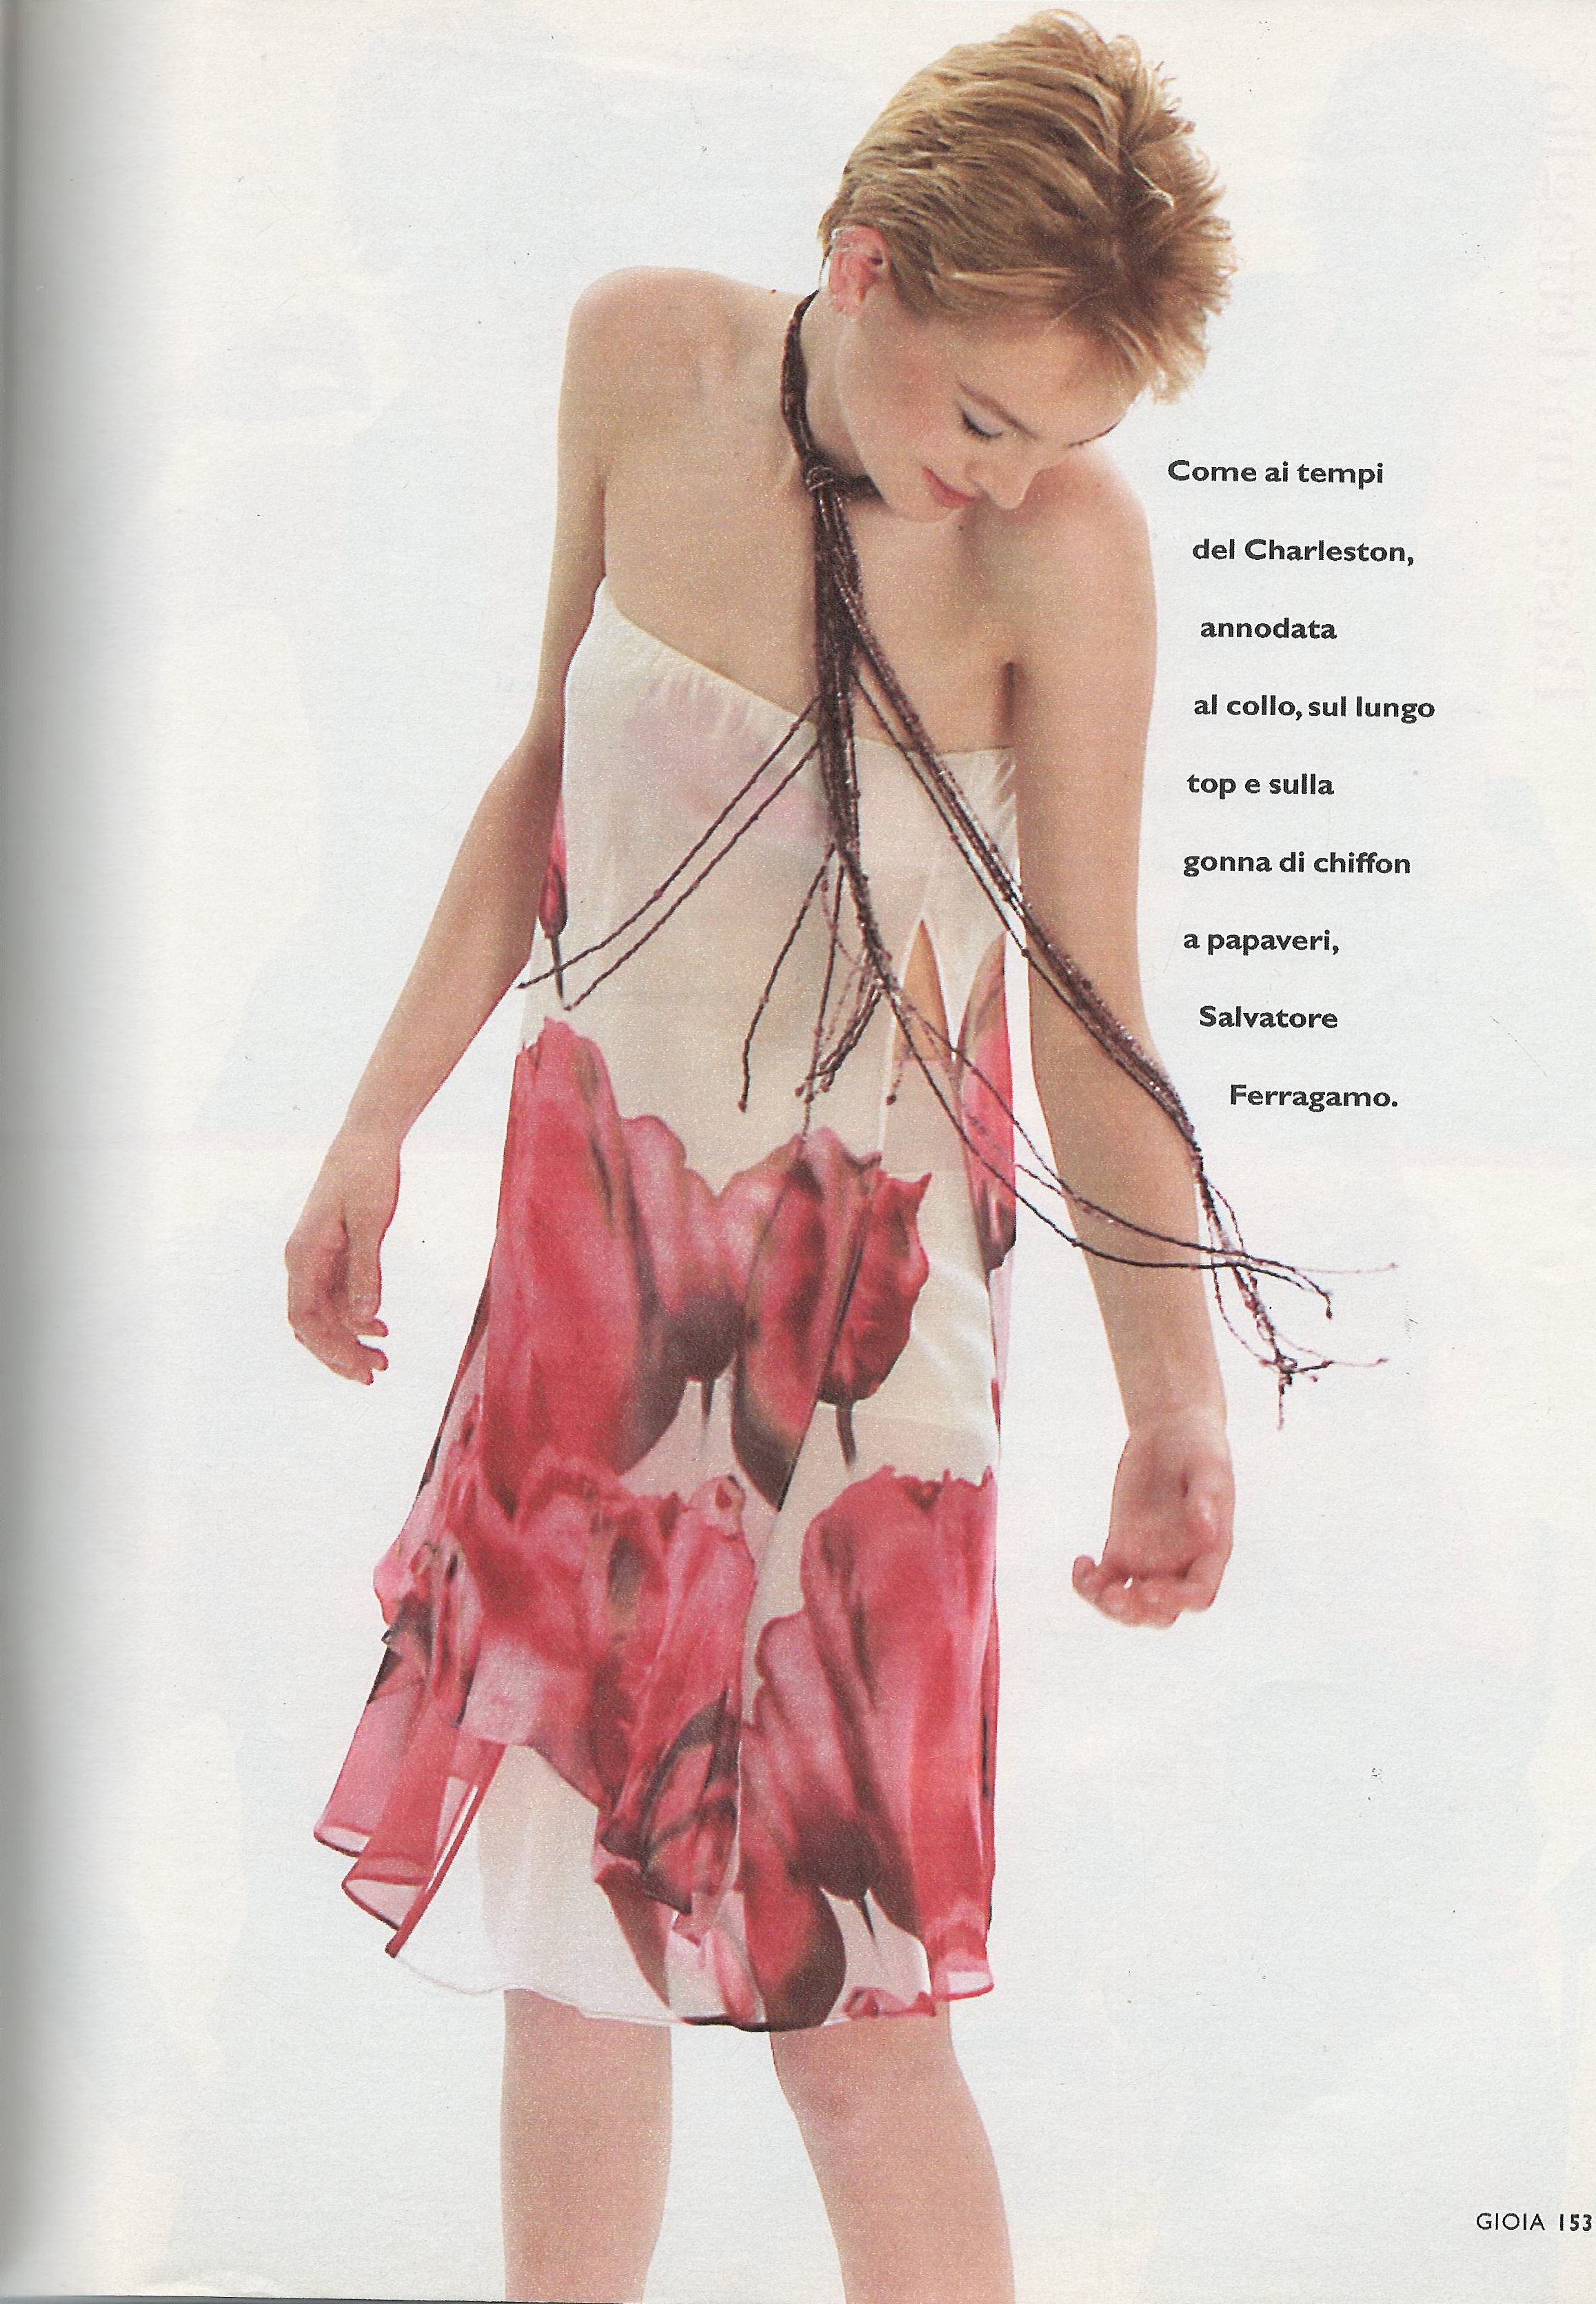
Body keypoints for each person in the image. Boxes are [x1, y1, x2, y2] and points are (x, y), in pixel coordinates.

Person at [285, 14, 1275, 2301]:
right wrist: (377, 1115)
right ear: (859, 265)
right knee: (572, 1962)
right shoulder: (642, 354)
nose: (1009, 482)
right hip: (591, 1276)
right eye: (987, 419)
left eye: (1066, 441)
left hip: (868, 1334)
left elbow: (1086, 1008)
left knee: (854, 2007)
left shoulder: (1064, 562)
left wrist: (1178, 1398)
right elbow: (548, 771)